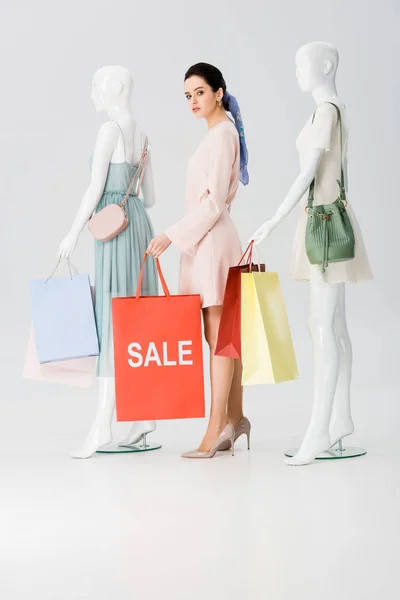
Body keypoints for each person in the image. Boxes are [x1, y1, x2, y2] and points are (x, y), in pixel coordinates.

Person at [146, 62, 251, 458]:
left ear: (219, 92)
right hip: (208, 242)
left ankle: (215, 430)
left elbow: (212, 205)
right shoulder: (219, 133)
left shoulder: (222, 135)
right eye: (188, 95)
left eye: (200, 92)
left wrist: (171, 234)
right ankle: (235, 419)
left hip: (212, 243)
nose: (193, 101)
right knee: (224, 341)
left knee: (219, 342)